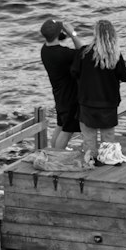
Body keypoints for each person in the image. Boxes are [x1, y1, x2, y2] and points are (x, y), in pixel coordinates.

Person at [71, 19, 126, 163]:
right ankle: (106, 165)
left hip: (87, 102)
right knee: (108, 141)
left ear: (95, 34)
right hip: (108, 104)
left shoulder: (84, 53)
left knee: (89, 140)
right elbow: (125, 76)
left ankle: (90, 165)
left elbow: (74, 73)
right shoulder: (115, 56)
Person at [40, 17, 82, 150]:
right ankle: (58, 155)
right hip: (69, 95)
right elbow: (82, 52)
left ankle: (54, 150)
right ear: (58, 34)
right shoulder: (63, 54)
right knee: (68, 130)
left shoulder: (44, 50)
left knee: (61, 124)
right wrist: (73, 34)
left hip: (59, 93)